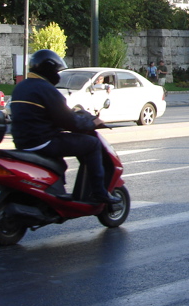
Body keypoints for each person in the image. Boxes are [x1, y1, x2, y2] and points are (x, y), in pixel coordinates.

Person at [9, 49, 121, 204]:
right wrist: (91, 123)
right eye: (56, 71)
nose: (57, 75)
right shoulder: (46, 89)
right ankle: (99, 193)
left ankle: (56, 192)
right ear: (49, 70)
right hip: (43, 141)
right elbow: (69, 121)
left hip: (22, 142)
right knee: (92, 144)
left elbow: (40, 115)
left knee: (62, 156)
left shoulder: (20, 87)